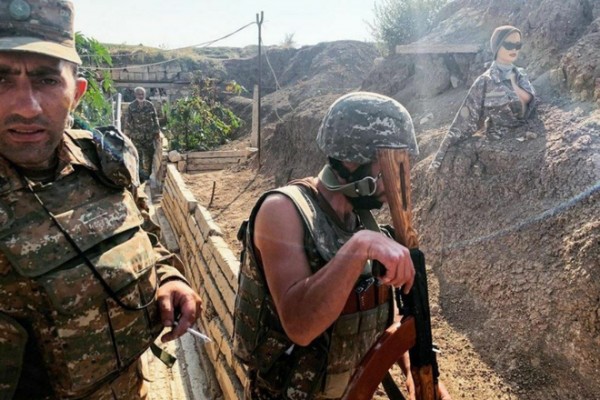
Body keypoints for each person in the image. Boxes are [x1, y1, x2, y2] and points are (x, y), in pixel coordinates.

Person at [0, 1, 202, 399]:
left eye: (46, 80)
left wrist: (169, 278)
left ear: (76, 93)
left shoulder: (102, 160)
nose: (27, 106)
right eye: (1, 80)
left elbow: (146, 233)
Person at [233, 92, 451, 399]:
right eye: (392, 164)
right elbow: (300, 326)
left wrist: (416, 369)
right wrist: (357, 247)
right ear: (354, 161)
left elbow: (382, 317)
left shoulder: (365, 224)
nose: (400, 180)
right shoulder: (283, 211)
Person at [430, 25, 538, 170]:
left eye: (518, 45)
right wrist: (440, 158)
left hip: (529, 143)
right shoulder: (485, 81)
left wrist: (514, 85)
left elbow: (531, 102)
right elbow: (464, 120)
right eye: (509, 45)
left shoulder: (521, 74)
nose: (514, 49)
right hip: (500, 151)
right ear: (497, 47)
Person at [124, 86, 161, 182]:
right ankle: (140, 176)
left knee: (149, 155)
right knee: (138, 156)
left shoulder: (150, 105)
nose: (141, 96)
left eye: (142, 94)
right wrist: (126, 135)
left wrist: (157, 131)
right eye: (139, 94)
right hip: (136, 136)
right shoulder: (131, 107)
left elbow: (155, 118)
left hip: (149, 136)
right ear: (135, 95)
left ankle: (147, 174)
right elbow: (128, 121)